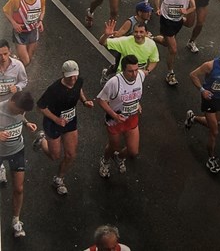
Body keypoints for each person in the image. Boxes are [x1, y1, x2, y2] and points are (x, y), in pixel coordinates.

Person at [33, 60, 94, 195]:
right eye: (70, 76)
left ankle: (59, 179)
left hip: (70, 121)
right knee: (55, 156)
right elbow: (41, 107)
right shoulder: (54, 89)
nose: (73, 79)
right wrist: (56, 119)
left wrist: (84, 101)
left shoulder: (79, 81)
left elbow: (79, 91)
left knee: (71, 154)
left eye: (75, 75)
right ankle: (42, 140)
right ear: (63, 74)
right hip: (53, 123)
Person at [185, 45, 220, 174]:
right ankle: (211, 159)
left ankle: (193, 118)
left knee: (215, 122)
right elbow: (193, 75)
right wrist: (202, 90)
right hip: (209, 99)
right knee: (214, 131)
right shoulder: (210, 65)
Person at [97, 55, 145, 178]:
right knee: (114, 146)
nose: (134, 74)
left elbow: (134, 92)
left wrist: (137, 103)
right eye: (130, 71)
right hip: (114, 120)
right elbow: (101, 100)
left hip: (132, 118)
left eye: (136, 69)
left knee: (133, 151)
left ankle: (119, 158)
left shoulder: (140, 75)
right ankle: (105, 160)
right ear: (123, 70)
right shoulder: (114, 82)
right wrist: (114, 115)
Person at [0, 91, 37, 237]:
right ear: (12, 102)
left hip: (17, 150)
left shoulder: (19, 109)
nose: (21, 113)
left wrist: (27, 123)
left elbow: (21, 115)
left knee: (19, 188)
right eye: (19, 110)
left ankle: (16, 220)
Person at [154, 0, 195, 86]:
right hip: (166, 21)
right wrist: (158, 9)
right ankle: (170, 73)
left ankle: (152, 38)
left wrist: (186, 11)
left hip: (178, 22)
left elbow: (193, 6)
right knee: (173, 49)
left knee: (166, 43)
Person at [99, 0, 154, 85]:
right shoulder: (130, 22)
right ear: (139, 13)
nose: (149, 13)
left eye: (150, 11)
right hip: (125, 49)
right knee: (118, 67)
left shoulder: (144, 22)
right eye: (147, 12)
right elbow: (118, 35)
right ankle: (106, 75)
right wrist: (134, 36)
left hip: (135, 50)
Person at [3, 0, 45, 66]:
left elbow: (42, 9)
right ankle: (12, 65)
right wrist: (14, 23)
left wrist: (40, 21)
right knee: (25, 60)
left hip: (33, 31)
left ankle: (16, 67)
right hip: (20, 32)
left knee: (28, 59)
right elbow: (6, 11)